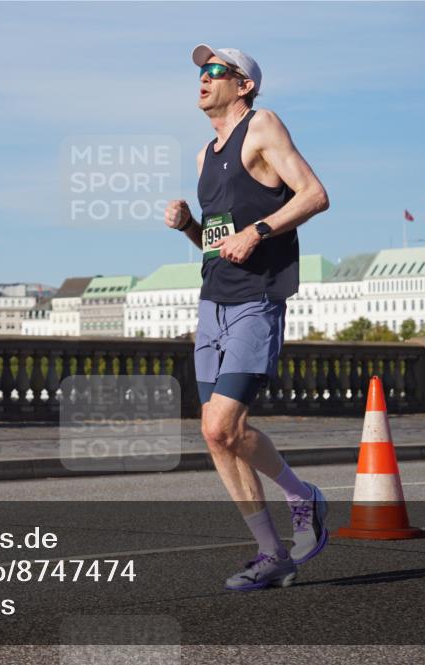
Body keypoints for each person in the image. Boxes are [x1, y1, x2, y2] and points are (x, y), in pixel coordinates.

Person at [165, 45, 331, 590]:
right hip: (211, 301)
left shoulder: (262, 126)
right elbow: (217, 244)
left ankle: (302, 496)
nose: (203, 79)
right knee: (217, 436)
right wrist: (192, 226)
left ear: (244, 86)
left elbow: (314, 194)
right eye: (200, 72)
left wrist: (258, 231)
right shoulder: (203, 156)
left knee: (221, 423)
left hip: (255, 300)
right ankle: (271, 553)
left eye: (215, 72)